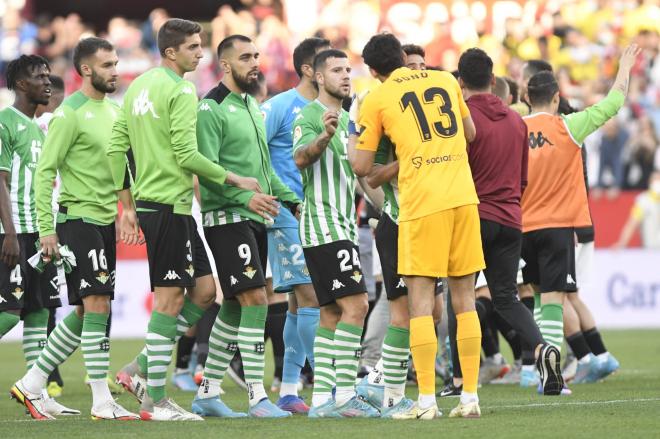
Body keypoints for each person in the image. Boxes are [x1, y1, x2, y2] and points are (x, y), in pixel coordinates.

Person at [108, 19, 258, 421]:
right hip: (168, 207)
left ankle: (136, 369)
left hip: (165, 208)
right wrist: (233, 177)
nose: (200, 53)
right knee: (170, 300)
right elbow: (187, 155)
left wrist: (128, 205)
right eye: (193, 47)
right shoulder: (180, 89)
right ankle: (154, 401)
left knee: (205, 292)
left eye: (201, 45)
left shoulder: (138, 85)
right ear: (171, 52)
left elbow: (116, 148)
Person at [351, 33, 484, 419]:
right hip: (462, 196)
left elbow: (361, 168)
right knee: (465, 300)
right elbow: (470, 134)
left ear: (374, 71)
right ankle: (470, 397)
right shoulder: (445, 80)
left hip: (421, 204)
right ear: (403, 57)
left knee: (421, 304)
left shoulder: (375, 98)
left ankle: (426, 401)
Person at [11, 38, 138, 420]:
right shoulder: (68, 115)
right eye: (107, 65)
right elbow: (44, 173)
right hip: (76, 220)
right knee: (97, 304)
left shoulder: (115, 113)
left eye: (116, 63)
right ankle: (102, 401)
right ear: (86, 70)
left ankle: (32, 384)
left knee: (86, 310)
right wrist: (47, 230)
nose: (115, 70)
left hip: (104, 220)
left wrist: (127, 209)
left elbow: (121, 169)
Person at [520, 45, 641, 389]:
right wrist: (624, 67)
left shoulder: (514, 128)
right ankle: (553, 377)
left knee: (541, 300)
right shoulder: (569, 127)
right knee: (556, 302)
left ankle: (545, 373)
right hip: (558, 227)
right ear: (556, 97)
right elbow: (614, 103)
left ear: (527, 97)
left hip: (524, 227)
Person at [192, 34, 299, 419]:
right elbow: (205, 171)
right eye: (245, 57)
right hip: (226, 217)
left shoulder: (253, 105)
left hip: (257, 216)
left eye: (256, 55)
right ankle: (257, 397)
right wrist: (244, 198)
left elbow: (265, 168)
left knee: (236, 307)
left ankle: (207, 393)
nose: (255, 62)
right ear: (225, 65)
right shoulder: (211, 108)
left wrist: (290, 198)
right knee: (255, 298)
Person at [457, 48, 563, 395]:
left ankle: (459, 380)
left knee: (459, 298)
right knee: (507, 298)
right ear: (492, 80)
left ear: (460, 83)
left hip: (475, 215)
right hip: (511, 217)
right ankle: (541, 349)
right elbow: (522, 179)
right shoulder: (517, 121)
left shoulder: (462, 118)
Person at [355, 44, 445, 417]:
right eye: (412, 67)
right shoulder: (376, 103)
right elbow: (363, 168)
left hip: (428, 213)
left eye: (422, 67)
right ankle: (384, 386)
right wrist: (401, 168)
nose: (418, 73)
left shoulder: (414, 99)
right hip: (399, 218)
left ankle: (380, 381)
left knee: (433, 311)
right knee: (404, 311)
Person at [293, 49, 378, 418]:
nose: (346, 75)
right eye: (336, 70)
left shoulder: (349, 121)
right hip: (323, 224)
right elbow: (300, 158)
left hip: (342, 224)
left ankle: (322, 402)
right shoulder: (309, 115)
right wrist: (323, 138)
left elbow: (361, 177)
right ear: (318, 78)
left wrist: (388, 209)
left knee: (330, 312)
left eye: (348, 69)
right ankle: (344, 394)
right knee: (357, 305)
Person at [260, 37, 329, 413]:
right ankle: (328, 388)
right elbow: (256, 153)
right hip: (287, 214)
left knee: (294, 305)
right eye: (329, 65)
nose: (337, 71)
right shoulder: (279, 107)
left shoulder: (329, 108)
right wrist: (280, 197)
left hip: (320, 214)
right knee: (311, 297)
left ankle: (288, 389)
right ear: (307, 69)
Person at [615, 171, 660, 249]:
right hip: (649, 250)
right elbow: (632, 223)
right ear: (650, 182)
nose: (657, 182)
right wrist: (621, 243)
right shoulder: (643, 200)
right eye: (655, 179)